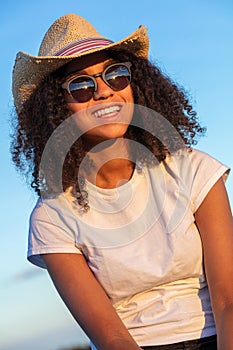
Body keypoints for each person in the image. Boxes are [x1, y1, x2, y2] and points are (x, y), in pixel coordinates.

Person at [11, 13, 233, 350]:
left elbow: (229, 301)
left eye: (116, 75)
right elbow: (112, 338)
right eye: (81, 85)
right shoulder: (51, 218)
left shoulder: (193, 169)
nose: (102, 92)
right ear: (56, 108)